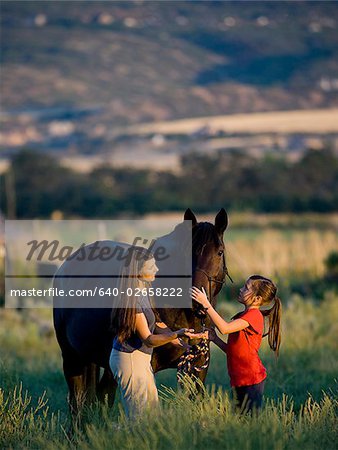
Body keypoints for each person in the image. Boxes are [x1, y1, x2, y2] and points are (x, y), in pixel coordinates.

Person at [110, 246, 205, 418]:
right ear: (138, 270)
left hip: (140, 359)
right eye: (151, 266)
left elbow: (157, 321)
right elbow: (148, 338)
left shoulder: (143, 290)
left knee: (152, 414)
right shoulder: (132, 300)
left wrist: (180, 340)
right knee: (139, 417)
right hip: (130, 360)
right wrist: (177, 334)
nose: (157, 269)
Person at [190, 275, 281, 413]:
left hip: (251, 380)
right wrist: (215, 339)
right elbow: (233, 351)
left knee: (250, 422)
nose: (241, 289)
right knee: (240, 418)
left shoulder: (254, 316)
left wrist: (206, 304)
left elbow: (224, 328)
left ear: (257, 299)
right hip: (239, 379)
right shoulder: (243, 316)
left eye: (246, 288)